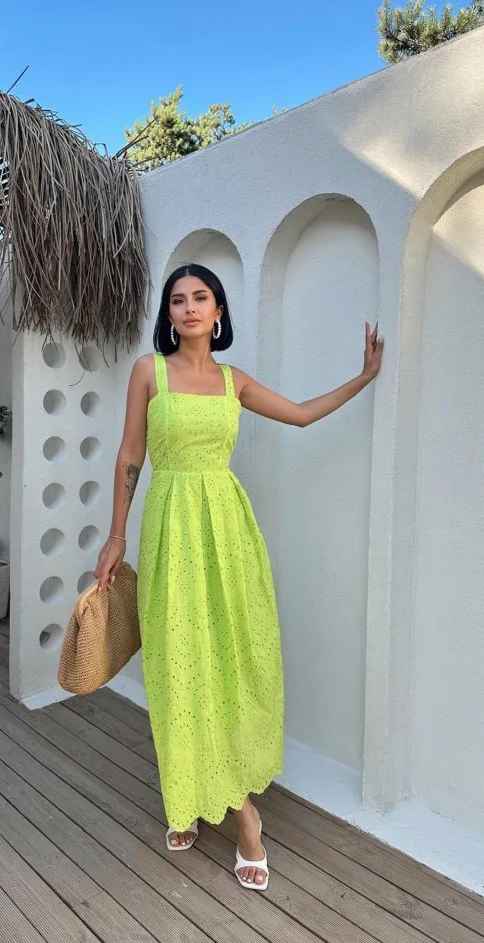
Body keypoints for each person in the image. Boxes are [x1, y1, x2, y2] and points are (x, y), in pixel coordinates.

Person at [94, 263, 384, 891]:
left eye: (201, 297)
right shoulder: (148, 372)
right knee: (177, 667)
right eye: (178, 300)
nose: (189, 308)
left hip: (226, 534)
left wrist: (363, 378)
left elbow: (301, 415)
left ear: (219, 311)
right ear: (168, 315)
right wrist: (116, 536)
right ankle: (197, 799)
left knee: (226, 665)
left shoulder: (234, 382)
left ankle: (234, 806)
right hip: (170, 528)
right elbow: (130, 454)